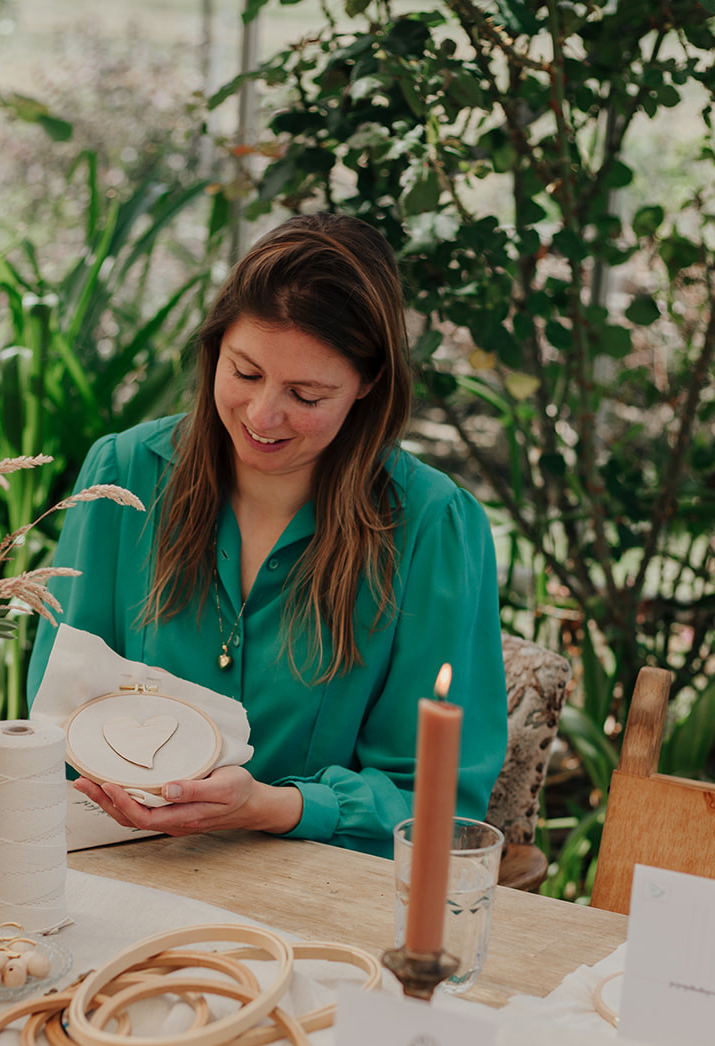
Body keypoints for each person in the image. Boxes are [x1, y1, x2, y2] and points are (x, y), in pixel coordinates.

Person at [27, 213, 507, 859]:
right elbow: (59, 716)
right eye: (245, 373)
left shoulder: (431, 526)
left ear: (367, 386)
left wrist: (268, 806)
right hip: (116, 861)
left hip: (316, 889)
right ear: (214, 348)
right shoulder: (123, 475)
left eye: (306, 394)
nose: (262, 416)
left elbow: (435, 803)